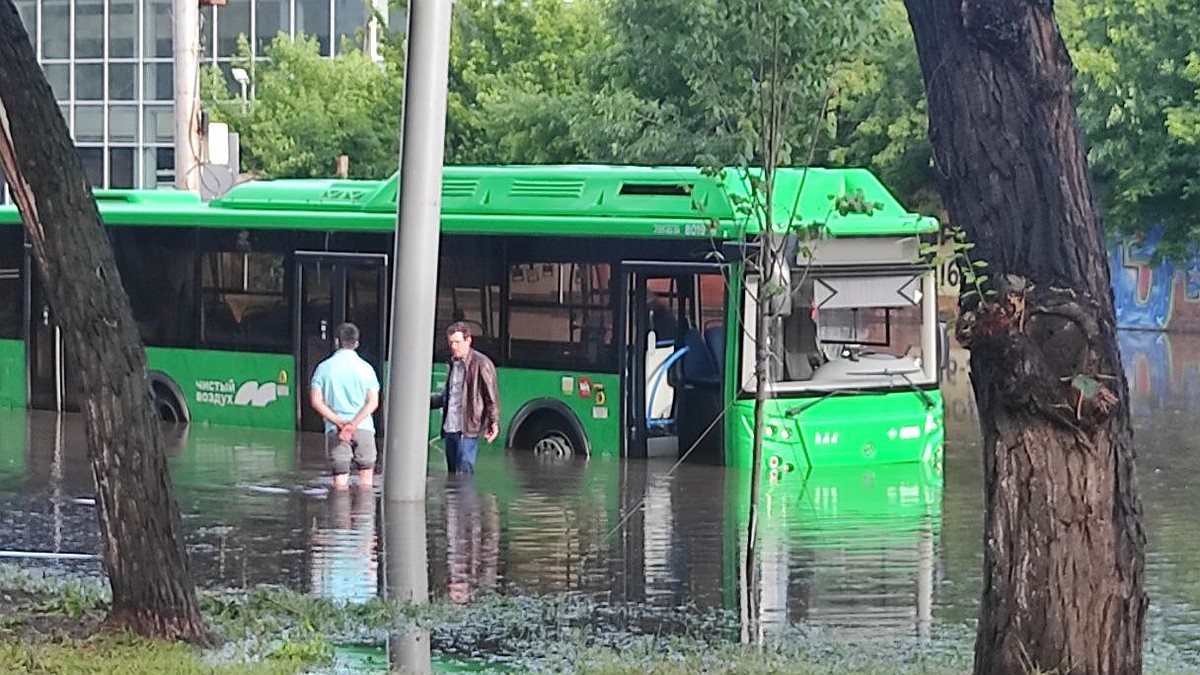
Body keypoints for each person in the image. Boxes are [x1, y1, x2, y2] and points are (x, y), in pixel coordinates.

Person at [310, 322, 380, 490]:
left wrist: (341, 424)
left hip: (336, 430)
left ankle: (340, 516)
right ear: (356, 343)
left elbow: (316, 401)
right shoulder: (367, 369)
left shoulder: (323, 368)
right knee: (366, 480)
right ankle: (364, 515)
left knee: (340, 483)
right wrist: (354, 424)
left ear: (336, 342)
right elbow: (373, 402)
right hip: (364, 428)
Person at [430, 321, 500, 474]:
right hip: (450, 428)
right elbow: (449, 396)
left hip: (467, 429)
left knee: (464, 474)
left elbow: (491, 397)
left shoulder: (482, 364)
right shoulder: (453, 364)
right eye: (451, 342)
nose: (453, 346)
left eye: (457, 342)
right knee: (452, 475)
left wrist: (493, 422)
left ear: (468, 340)